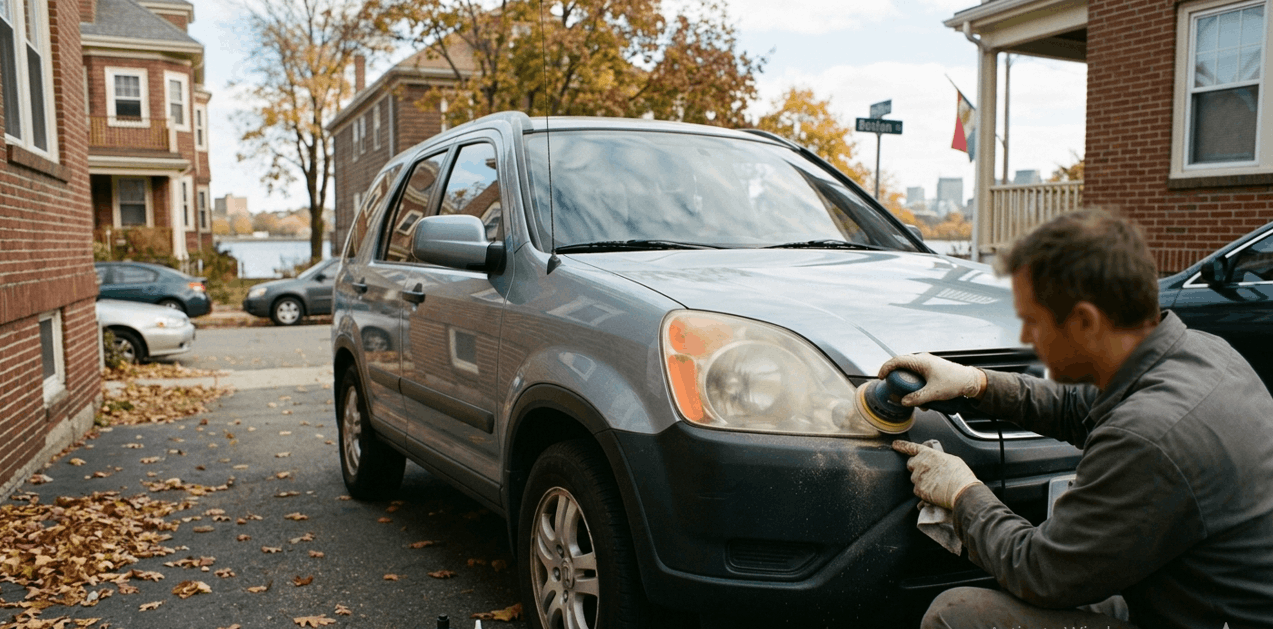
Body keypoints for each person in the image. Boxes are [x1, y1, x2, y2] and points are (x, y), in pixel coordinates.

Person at [884, 210, 1273, 629]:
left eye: (1032, 321)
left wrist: (962, 494)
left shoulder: (1147, 437)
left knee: (958, 616)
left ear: (1085, 322)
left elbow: (1038, 572)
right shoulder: (1205, 353)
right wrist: (976, 383)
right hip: (1188, 597)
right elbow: (1076, 407)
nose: (1025, 338)